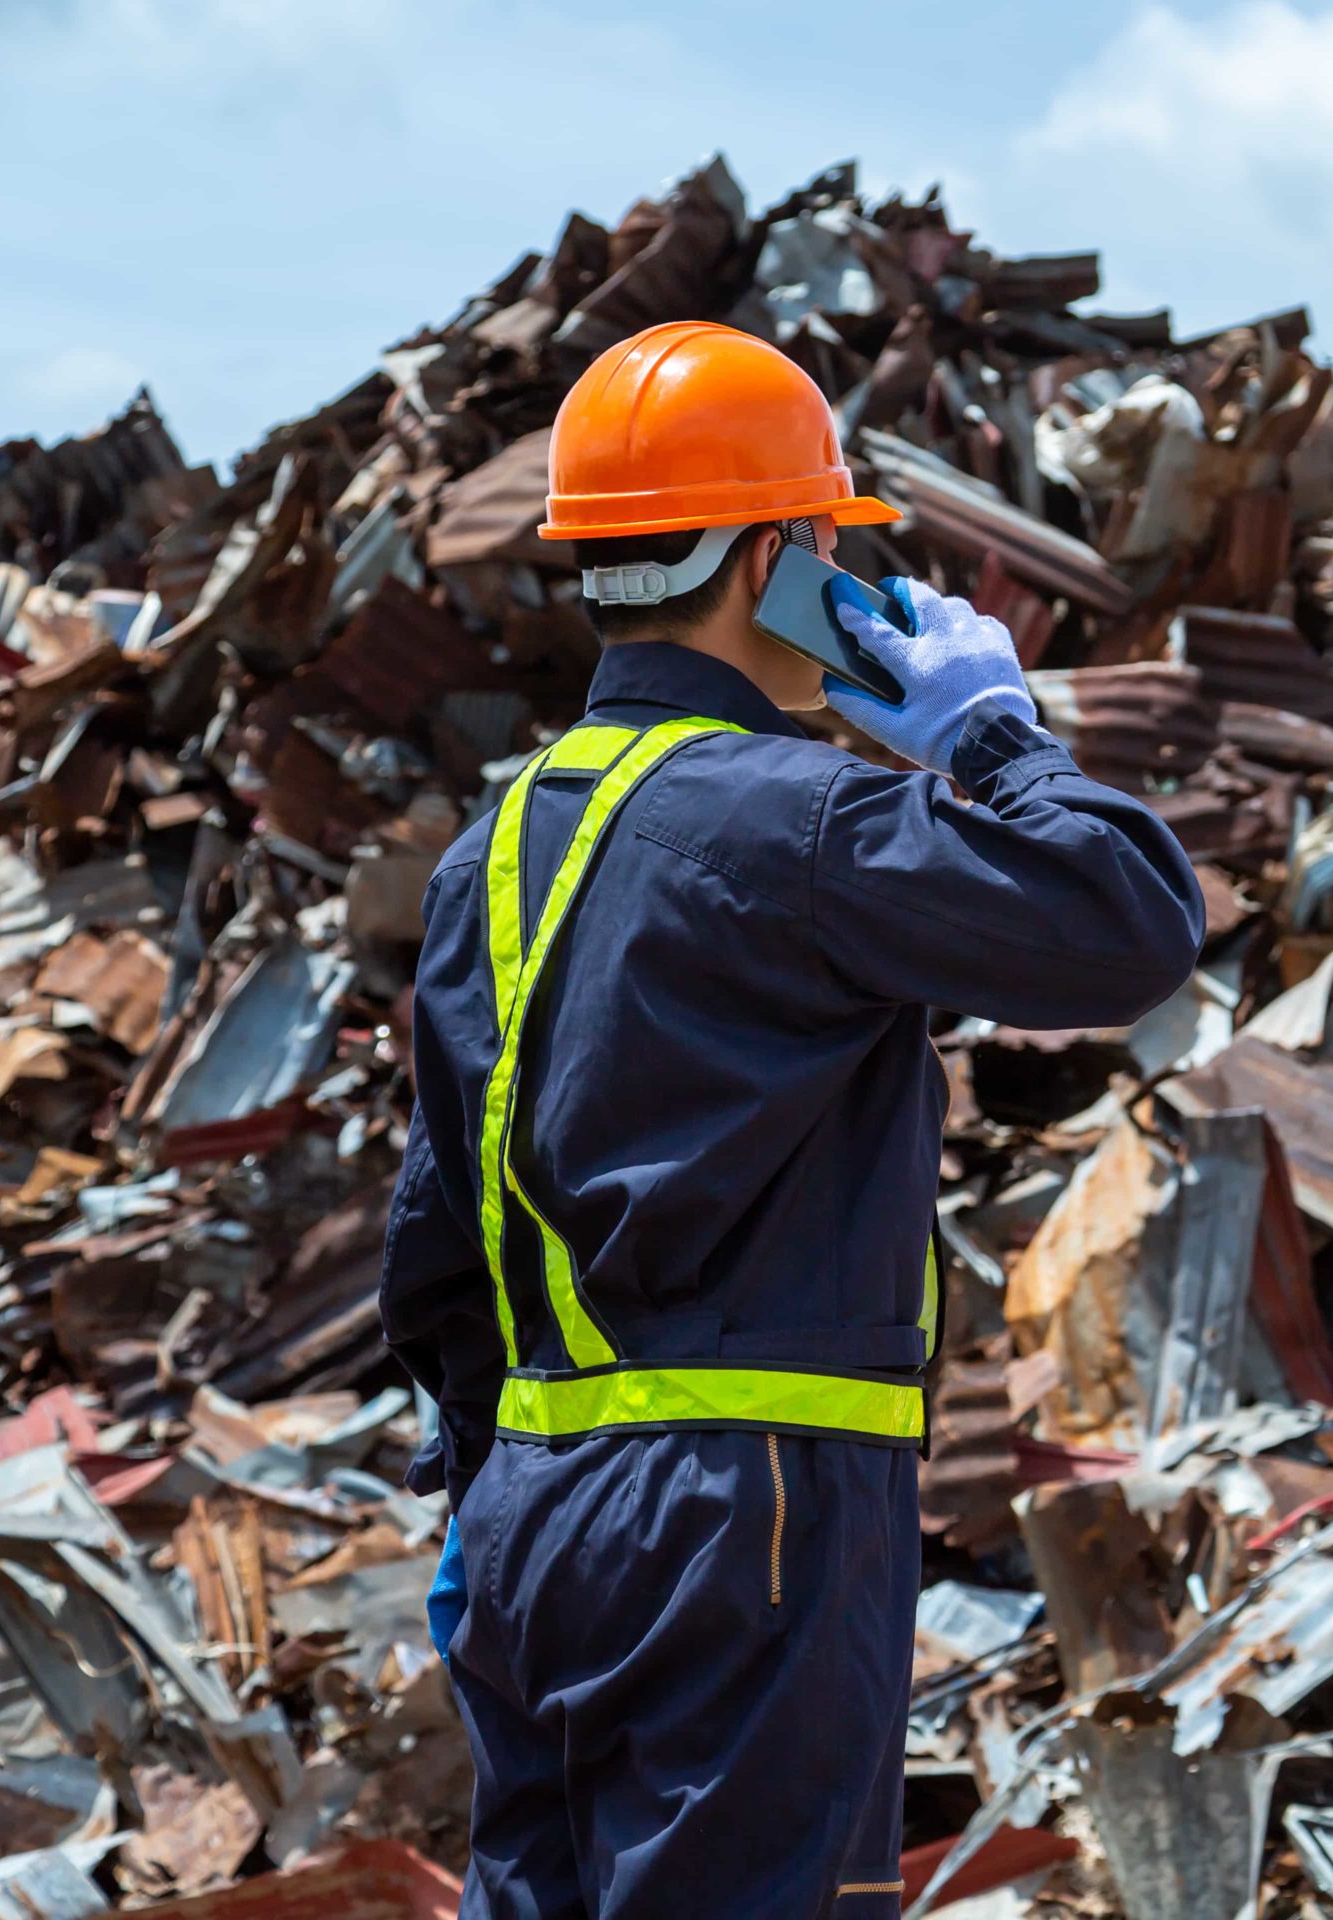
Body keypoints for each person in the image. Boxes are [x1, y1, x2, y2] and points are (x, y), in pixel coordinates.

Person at [380, 320, 1202, 1918]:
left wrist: (485, 1477)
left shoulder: (495, 846)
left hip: (540, 1507)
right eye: (827, 542)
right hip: (744, 1516)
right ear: (769, 559)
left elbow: (444, 1218)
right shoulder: (799, 821)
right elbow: (1127, 919)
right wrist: (988, 738)